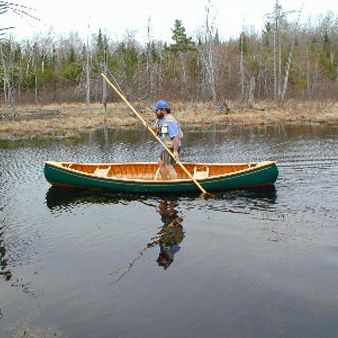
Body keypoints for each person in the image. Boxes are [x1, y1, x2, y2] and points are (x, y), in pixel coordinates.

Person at [153, 100, 183, 180]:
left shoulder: (170, 121)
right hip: (165, 147)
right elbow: (164, 132)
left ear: (163, 110)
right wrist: (157, 132)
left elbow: (175, 137)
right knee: (161, 163)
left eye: (157, 110)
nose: (155, 112)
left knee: (168, 166)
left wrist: (175, 151)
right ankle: (164, 181)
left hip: (172, 147)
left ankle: (175, 184)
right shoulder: (161, 119)